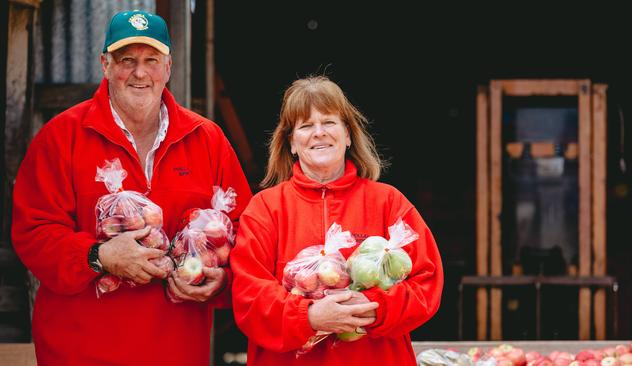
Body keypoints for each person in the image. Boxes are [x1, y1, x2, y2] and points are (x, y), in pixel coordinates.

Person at [11, 10, 252, 365]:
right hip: (79, 352)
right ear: (104, 65)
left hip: (177, 353)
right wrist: (99, 256)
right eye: (127, 60)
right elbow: (32, 233)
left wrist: (221, 280)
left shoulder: (207, 140)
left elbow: (248, 237)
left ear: (168, 68)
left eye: (151, 60)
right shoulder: (61, 137)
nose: (140, 73)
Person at [230, 75, 444, 365]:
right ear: (291, 143)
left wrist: (376, 308)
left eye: (329, 122)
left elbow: (427, 282)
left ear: (348, 135)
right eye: (305, 126)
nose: (319, 133)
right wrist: (309, 316)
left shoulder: (389, 203)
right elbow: (249, 297)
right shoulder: (265, 209)